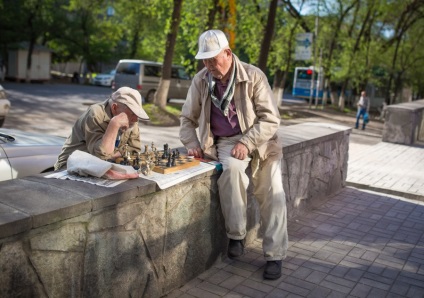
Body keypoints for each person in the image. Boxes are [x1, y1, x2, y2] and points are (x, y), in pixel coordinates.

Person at [179, 29, 288, 280]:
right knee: (232, 171)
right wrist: (192, 143)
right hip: (227, 140)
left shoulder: (253, 75)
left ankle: (275, 255)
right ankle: (236, 235)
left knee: (273, 194)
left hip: (261, 140)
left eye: (213, 59)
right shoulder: (201, 80)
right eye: (204, 60)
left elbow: (271, 119)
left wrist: (248, 142)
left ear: (227, 53)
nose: (208, 66)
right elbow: (186, 119)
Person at [54, 86, 149, 170]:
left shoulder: (132, 120)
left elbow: (134, 150)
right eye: (132, 113)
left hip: (100, 166)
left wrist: (112, 155)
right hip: (69, 167)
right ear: (114, 108)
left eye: (137, 114)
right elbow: (101, 156)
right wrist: (114, 124)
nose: (136, 119)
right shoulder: (95, 113)